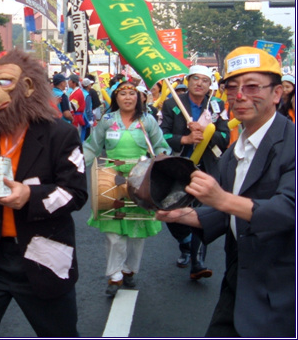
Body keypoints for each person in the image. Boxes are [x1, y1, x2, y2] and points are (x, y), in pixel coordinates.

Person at [157, 47, 295, 337]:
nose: (240, 95)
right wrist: (185, 215)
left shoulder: (291, 144)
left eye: (253, 86)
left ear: (277, 93)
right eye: (232, 88)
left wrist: (221, 198)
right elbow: (225, 214)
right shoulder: (235, 151)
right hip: (239, 281)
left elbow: (288, 211)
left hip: (284, 290)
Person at [0, 49, 88, 337]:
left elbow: (75, 193)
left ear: (27, 88)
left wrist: (29, 195)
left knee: (59, 333)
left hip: (44, 256)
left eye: (4, 83)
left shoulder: (60, 134)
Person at [83, 81, 170, 297]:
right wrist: (73, 166)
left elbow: (161, 145)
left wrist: (163, 160)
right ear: (116, 98)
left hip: (141, 179)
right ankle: (115, 275)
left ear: (140, 98)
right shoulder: (107, 120)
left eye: (133, 93)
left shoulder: (147, 121)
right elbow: (92, 147)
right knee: (114, 232)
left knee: (137, 231)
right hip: (113, 178)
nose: (128, 97)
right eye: (123, 94)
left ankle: (130, 269)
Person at [160, 65, 229, 280]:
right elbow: (161, 135)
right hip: (179, 164)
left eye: (205, 80)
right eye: (195, 79)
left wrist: (208, 135)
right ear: (188, 81)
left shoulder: (217, 105)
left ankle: (198, 262)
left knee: (201, 212)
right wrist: (186, 139)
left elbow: (226, 136)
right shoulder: (172, 104)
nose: (200, 83)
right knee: (171, 210)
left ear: (210, 85)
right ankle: (185, 244)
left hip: (207, 166)